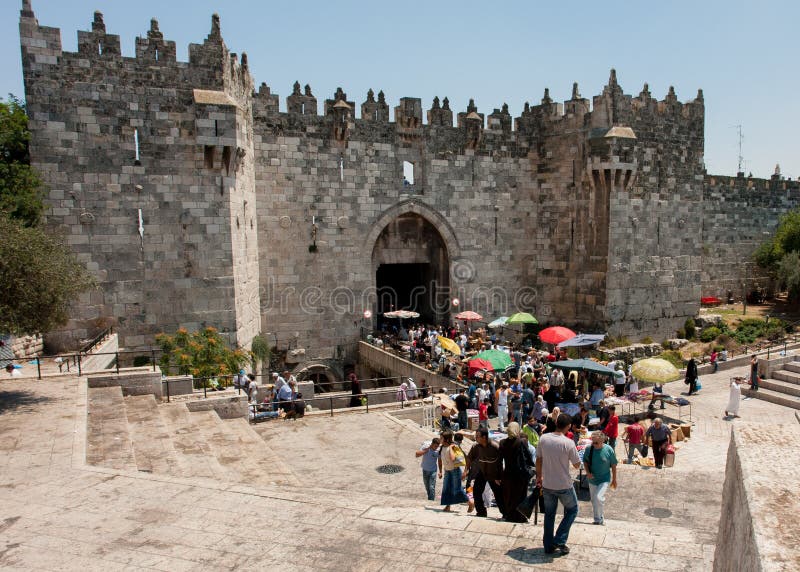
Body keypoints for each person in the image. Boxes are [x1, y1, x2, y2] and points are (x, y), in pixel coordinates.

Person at [536, 413, 581, 556]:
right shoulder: (568, 443)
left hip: (547, 483)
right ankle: (560, 539)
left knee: (549, 515)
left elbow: (538, 459)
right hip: (563, 485)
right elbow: (576, 465)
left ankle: (548, 546)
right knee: (573, 510)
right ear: (569, 426)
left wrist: (538, 477)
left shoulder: (543, 438)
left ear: (556, 423)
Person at [465, 428, 504, 519]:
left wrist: (499, 476)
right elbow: (469, 458)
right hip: (482, 472)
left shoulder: (495, 446)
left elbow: (501, 462)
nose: (476, 438)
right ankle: (481, 512)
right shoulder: (476, 446)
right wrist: (466, 470)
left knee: (498, 494)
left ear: (484, 437)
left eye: (477, 436)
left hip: (494, 474)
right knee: (476, 491)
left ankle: (505, 513)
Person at [583, 431, 618, 525]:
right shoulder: (589, 449)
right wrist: (588, 473)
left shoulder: (609, 450)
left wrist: (614, 479)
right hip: (592, 479)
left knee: (598, 498)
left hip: (604, 479)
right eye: (592, 442)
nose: (594, 444)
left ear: (602, 441)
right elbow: (585, 461)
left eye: (596, 443)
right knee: (594, 500)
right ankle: (598, 519)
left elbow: (614, 464)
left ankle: (600, 517)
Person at [438, 431, 469, 512]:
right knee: (446, 488)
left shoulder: (453, 447)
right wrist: (440, 471)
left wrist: (451, 448)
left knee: (457, 489)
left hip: (455, 471)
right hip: (447, 471)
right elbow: (440, 460)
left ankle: (470, 502)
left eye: (441, 438)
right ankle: (448, 506)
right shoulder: (441, 447)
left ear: (447, 439)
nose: (440, 439)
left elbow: (453, 458)